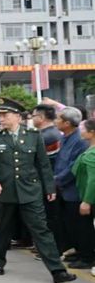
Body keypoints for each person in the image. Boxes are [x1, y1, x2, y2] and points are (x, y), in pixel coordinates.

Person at [0, 98, 76, 283]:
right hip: (4, 191)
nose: (1, 118)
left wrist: (49, 187)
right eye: (0, 115)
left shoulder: (33, 136)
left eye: (5, 115)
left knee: (41, 230)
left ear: (18, 116)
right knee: (1, 229)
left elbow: (43, 164)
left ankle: (57, 271)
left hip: (30, 190)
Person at [53, 109, 90, 269]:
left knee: (82, 226)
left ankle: (87, 257)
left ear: (67, 123)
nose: (55, 121)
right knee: (70, 225)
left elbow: (73, 167)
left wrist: (57, 180)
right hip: (64, 190)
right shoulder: (65, 137)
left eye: (58, 119)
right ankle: (78, 251)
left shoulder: (80, 141)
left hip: (75, 190)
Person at [32, 103, 65, 252]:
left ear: (41, 117)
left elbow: (43, 163)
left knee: (51, 218)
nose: (32, 119)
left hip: (48, 182)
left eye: (34, 116)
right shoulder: (50, 133)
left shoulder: (47, 136)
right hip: (50, 181)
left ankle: (53, 248)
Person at [72, 118, 95, 277]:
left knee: (89, 229)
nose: (81, 131)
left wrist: (87, 201)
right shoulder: (90, 149)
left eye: (83, 129)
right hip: (86, 195)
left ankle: (88, 258)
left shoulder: (92, 153)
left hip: (90, 198)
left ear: (92, 133)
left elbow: (93, 179)